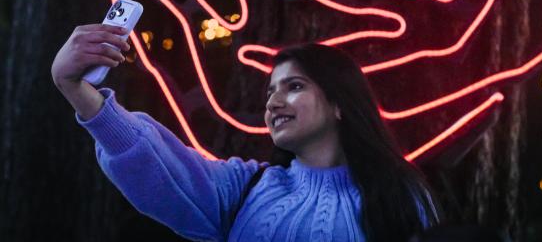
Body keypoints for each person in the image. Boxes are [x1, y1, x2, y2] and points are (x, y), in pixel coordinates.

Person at [51, 24, 440, 241]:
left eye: (295, 86)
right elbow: (158, 160)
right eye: (270, 91)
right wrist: (77, 91)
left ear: (340, 102)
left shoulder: (400, 197)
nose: (273, 103)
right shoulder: (246, 187)